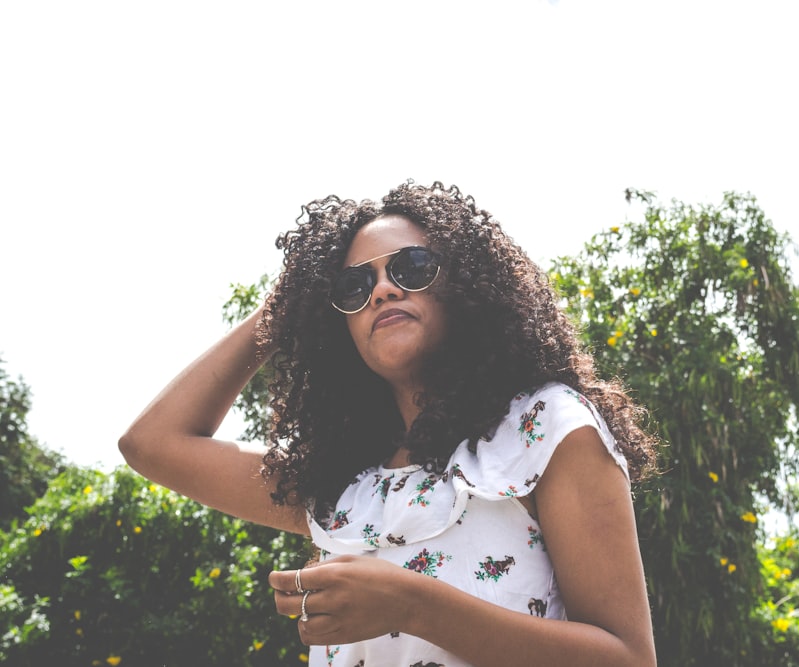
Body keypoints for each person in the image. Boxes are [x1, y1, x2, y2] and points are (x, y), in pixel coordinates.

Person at [119, 181, 658, 666]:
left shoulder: (547, 429)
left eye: (412, 267)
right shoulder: (341, 483)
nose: (381, 290)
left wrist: (411, 604)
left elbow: (628, 660)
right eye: (353, 288)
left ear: (467, 285)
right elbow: (151, 443)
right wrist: (287, 306)